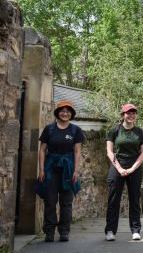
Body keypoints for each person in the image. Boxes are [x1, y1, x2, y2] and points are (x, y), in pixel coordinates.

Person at [37, 100, 85, 242]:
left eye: (68, 111)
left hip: (68, 169)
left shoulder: (75, 130)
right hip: (50, 167)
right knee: (50, 200)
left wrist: (76, 171)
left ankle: (64, 231)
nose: (65, 113)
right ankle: (49, 231)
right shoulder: (49, 129)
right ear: (58, 113)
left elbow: (77, 151)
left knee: (66, 202)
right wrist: (41, 169)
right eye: (62, 111)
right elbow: (42, 149)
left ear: (71, 114)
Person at [104, 104, 143, 241]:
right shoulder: (115, 130)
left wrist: (132, 168)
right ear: (123, 114)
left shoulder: (139, 132)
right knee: (113, 200)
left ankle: (135, 230)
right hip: (118, 164)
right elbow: (109, 152)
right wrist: (119, 168)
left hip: (134, 166)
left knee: (134, 199)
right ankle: (110, 231)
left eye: (133, 113)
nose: (131, 115)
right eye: (128, 113)